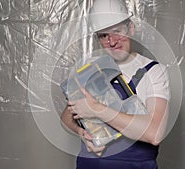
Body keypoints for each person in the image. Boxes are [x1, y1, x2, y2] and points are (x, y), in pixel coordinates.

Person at [61, 0, 170, 168]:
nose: (112, 41)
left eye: (117, 31)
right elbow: (66, 118)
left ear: (131, 28)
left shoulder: (153, 71)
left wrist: (96, 109)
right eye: (104, 35)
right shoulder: (91, 70)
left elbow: (154, 134)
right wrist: (82, 133)